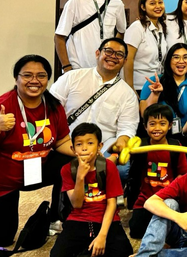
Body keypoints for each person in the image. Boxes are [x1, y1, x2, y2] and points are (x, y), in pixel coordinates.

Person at [0, 55, 75, 246]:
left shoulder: (53, 105)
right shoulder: (0, 108)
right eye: (27, 75)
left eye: (41, 76)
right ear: (16, 78)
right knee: (0, 238)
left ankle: (56, 219)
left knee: (74, 164)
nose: (34, 81)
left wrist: (84, 153)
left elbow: (61, 141)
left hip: (31, 169)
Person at [49, 38, 138, 180]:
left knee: (122, 168)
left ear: (125, 61)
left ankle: (108, 201)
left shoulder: (128, 94)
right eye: (108, 51)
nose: (113, 57)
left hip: (102, 145)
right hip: (67, 141)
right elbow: (50, 108)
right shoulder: (72, 77)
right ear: (97, 53)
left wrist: (122, 142)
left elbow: (127, 127)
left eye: (119, 55)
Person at [49, 123, 133, 257]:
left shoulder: (108, 166)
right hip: (79, 218)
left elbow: (112, 204)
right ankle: (89, 244)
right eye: (79, 144)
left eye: (90, 143)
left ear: (99, 146)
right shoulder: (67, 170)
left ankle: (93, 242)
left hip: (106, 219)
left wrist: (102, 236)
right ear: (72, 148)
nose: (85, 148)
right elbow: (76, 204)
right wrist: (80, 177)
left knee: (123, 255)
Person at [129, 104, 187, 239]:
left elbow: (182, 175)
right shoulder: (140, 147)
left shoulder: (176, 147)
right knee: (136, 231)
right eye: (152, 124)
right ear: (145, 126)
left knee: (172, 233)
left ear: (169, 126)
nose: (157, 128)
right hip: (145, 199)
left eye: (162, 124)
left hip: (168, 199)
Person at [55, 0, 126, 71]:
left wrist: (112, 54)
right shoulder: (76, 0)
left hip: (104, 69)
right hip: (77, 67)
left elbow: (121, 32)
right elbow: (59, 37)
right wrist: (67, 66)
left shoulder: (117, 4)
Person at [139, 43, 187, 145]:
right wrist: (155, 94)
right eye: (176, 57)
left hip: (185, 139)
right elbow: (144, 114)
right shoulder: (154, 81)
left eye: (186, 57)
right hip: (157, 138)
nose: (181, 61)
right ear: (169, 60)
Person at [123, 0, 167, 92]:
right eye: (152, 3)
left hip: (157, 85)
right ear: (143, 7)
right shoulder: (137, 28)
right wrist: (130, 88)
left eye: (160, 2)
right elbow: (128, 59)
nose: (158, 6)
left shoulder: (161, 27)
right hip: (140, 86)